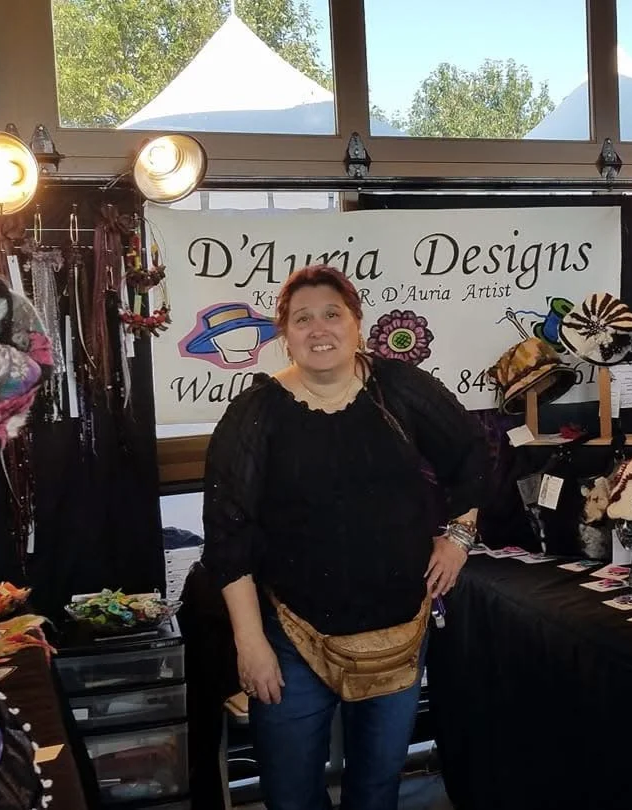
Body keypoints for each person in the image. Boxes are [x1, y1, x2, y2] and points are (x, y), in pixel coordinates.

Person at [202, 264, 488, 810]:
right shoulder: (254, 415)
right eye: (302, 318)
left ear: (358, 322)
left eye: (333, 314)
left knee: (376, 790)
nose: (319, 328)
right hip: (291, 639)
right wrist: (250, 642)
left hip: (398, 636)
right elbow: (227, 535)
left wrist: (458, 535)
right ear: (283, 334)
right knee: (290, 797)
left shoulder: (399, 389)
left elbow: (472, 451)